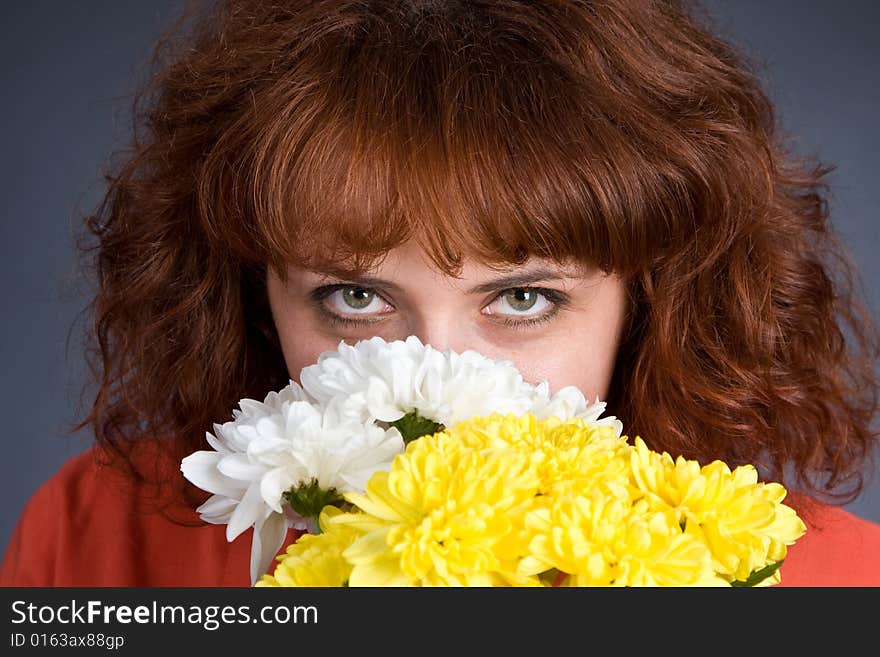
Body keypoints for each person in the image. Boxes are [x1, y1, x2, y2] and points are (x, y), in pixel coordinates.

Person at [2, 0, 879, 587]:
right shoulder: (93, 541)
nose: (433, 388)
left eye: (524, 299)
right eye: (354, 296)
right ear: (249, 294)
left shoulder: (822, 580)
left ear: (650, 304)